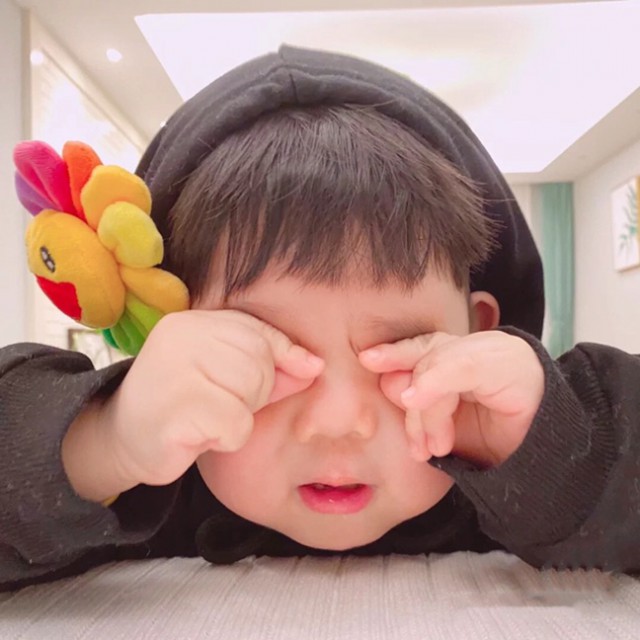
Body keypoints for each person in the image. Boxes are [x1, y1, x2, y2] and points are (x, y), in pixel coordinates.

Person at [2, 45, 639, 593]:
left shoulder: (508, 464)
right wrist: (101, 443)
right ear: (166, 341)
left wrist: (555, 446)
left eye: (402, 347)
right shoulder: (139, 484)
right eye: (261, 350)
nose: (338, 422)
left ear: (478, 335)